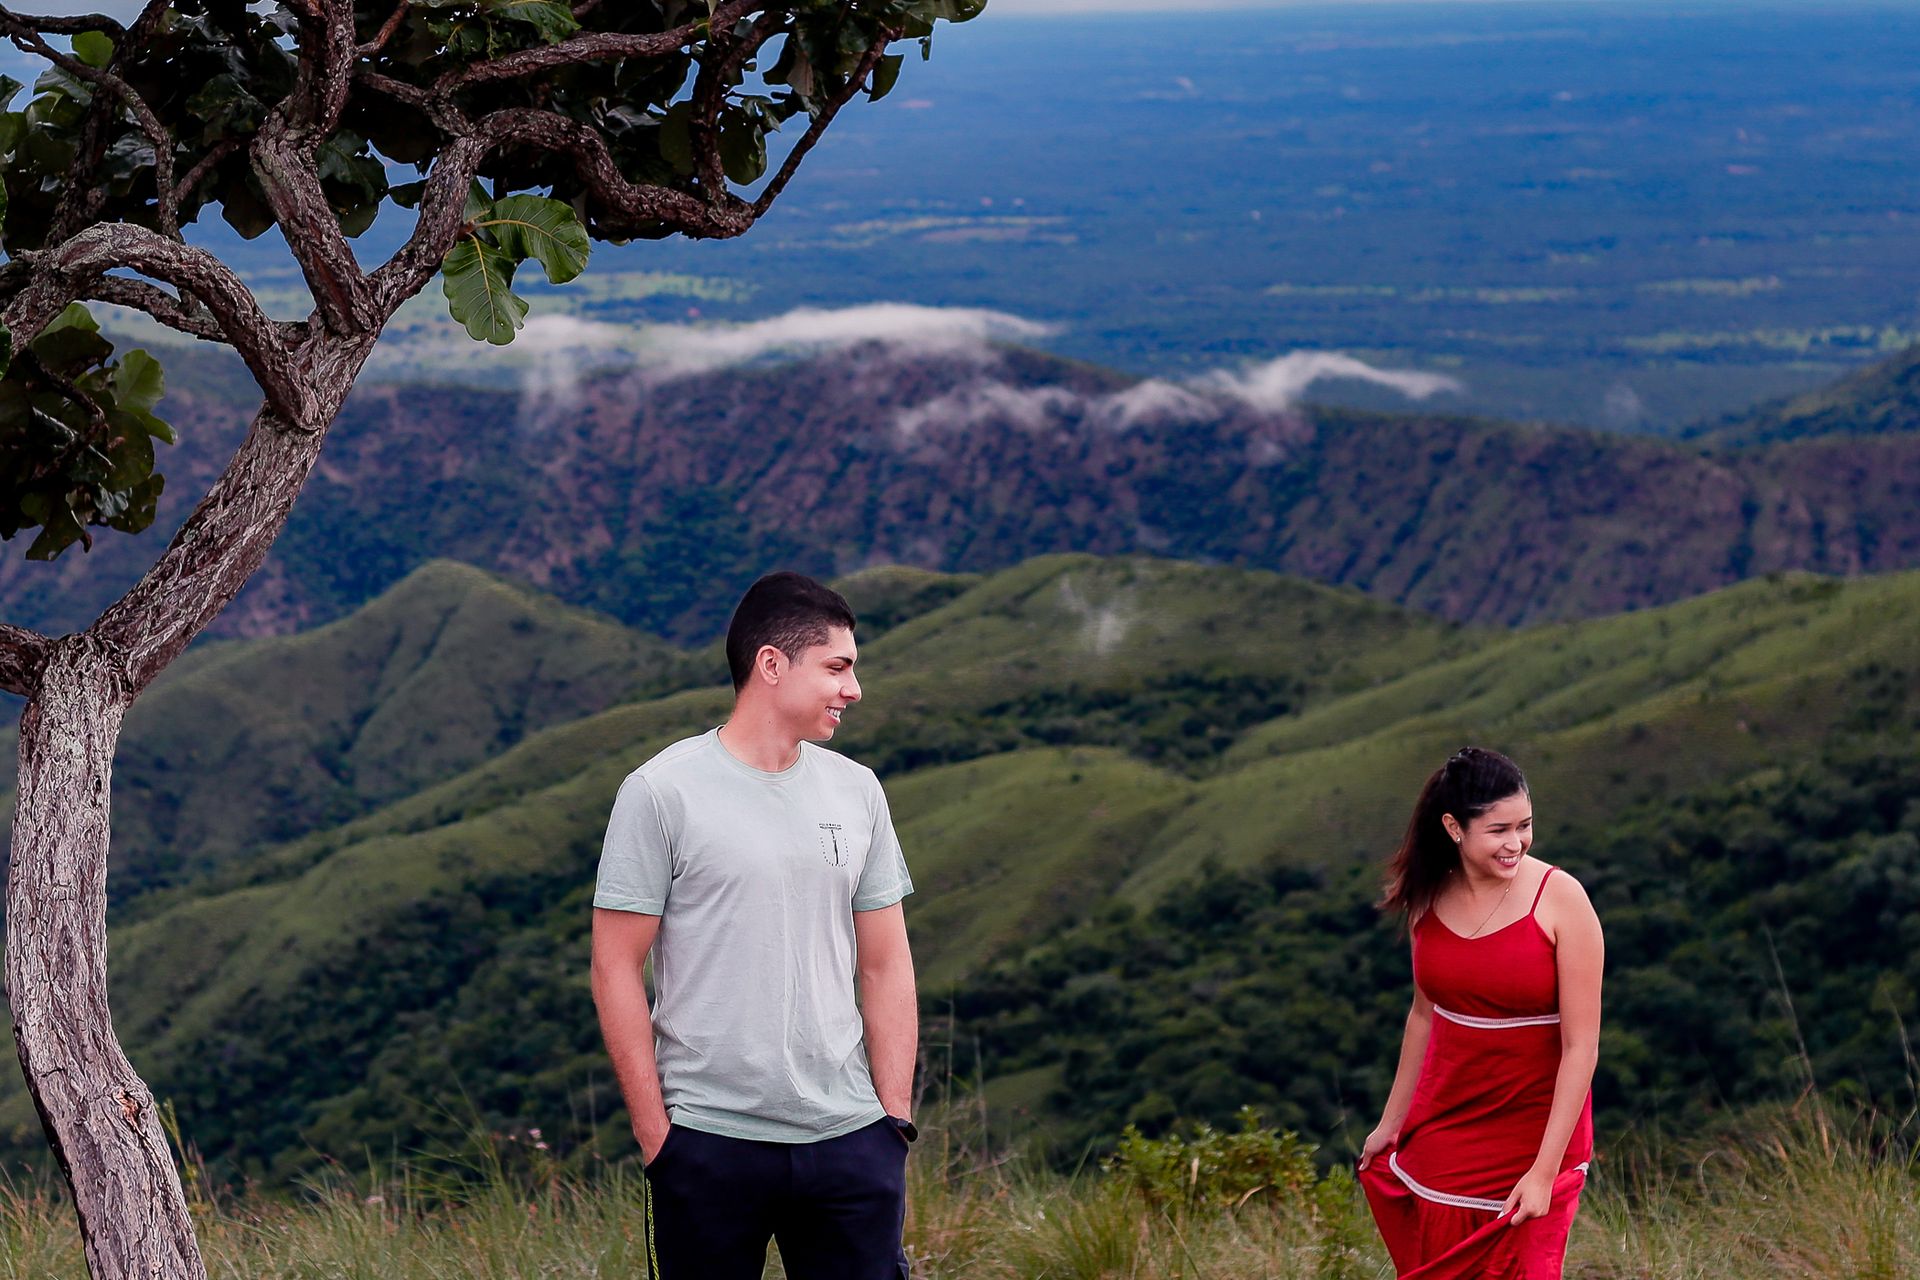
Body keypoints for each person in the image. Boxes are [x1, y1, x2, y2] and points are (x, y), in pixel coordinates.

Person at [591, 571, 918, 1280]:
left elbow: (886, 961)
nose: (853, 689)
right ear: (771, 664)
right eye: (837, 667)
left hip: (852, 1141)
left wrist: (893, 1121)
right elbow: (615, 965)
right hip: (709, 1143)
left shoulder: (858, 791)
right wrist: (658, 1138)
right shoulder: (659, 792)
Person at [1357, 746, 1603, 1280]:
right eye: (1498, 830)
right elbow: (1424, 1016)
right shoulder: (1428, 896)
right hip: (1449, 1127)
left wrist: (1543, 1171)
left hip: (1536, 1132)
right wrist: (1390, 1124)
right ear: (1453, 827)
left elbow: (1581, 1046)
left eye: (1525, 825)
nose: (1516, 842)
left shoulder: (1561, 899)